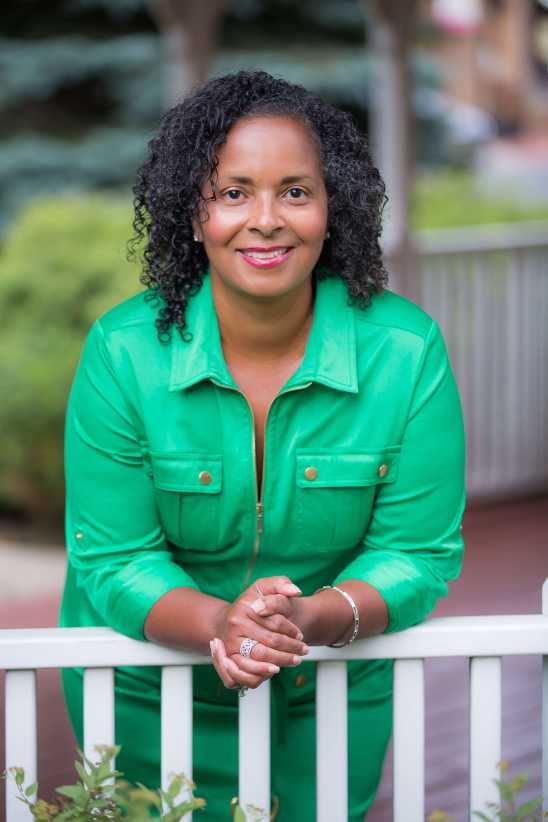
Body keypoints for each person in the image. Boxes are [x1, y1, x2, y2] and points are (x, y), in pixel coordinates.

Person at [60, 69, 466, 821]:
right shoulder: (123, 354)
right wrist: (221, 623)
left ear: (330, 210)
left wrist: (307, 620)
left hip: (330, 689)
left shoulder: (405, 353)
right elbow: (115, 559)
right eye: (234, 192)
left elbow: (418, 552)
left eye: (296, 191)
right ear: (192, 215)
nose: (267, 219)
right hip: (149, 691)